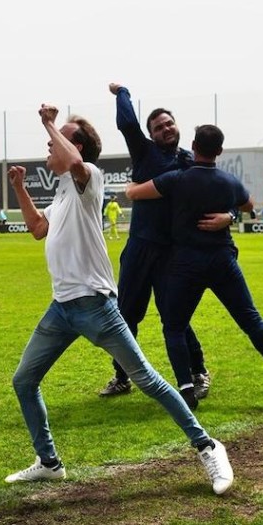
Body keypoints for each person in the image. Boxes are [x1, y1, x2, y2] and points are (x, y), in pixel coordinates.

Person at [4, 105, 234, 494]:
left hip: (96, 306)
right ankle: (48, 462)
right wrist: (20, 188)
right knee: (24, 380)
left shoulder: (87, 177)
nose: (48, 142)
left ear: (74, 145)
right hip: (62, 309)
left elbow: (75, 162)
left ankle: (209, 447)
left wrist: (47, 120)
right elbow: (37, 229)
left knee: (149, 380)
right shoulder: (61, 192)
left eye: (57, 136)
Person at [127, 124, 263, 411]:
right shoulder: (229, 181)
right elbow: (249, 205)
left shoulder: (177, 178)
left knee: (174, 326)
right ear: (220, 151)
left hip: (186, 263)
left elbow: (135, 194)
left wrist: (131, 183)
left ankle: (186, 388)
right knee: (251, 320)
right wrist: (230, 214)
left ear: (193, 146)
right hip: (223, 260)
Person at [98, 84, 229, 399]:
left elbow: (223, 189)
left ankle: (199, 372)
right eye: (158, 127)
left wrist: (230, 216)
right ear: (151, 135)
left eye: (169, 123)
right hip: (140, 249)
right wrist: (122, 93)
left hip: (173, 253)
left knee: (176, 316)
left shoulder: (192, 161)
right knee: (126, 315)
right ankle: (121, 376)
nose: (165, 129)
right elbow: (128, 124)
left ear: (178, 126)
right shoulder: (145, 153)